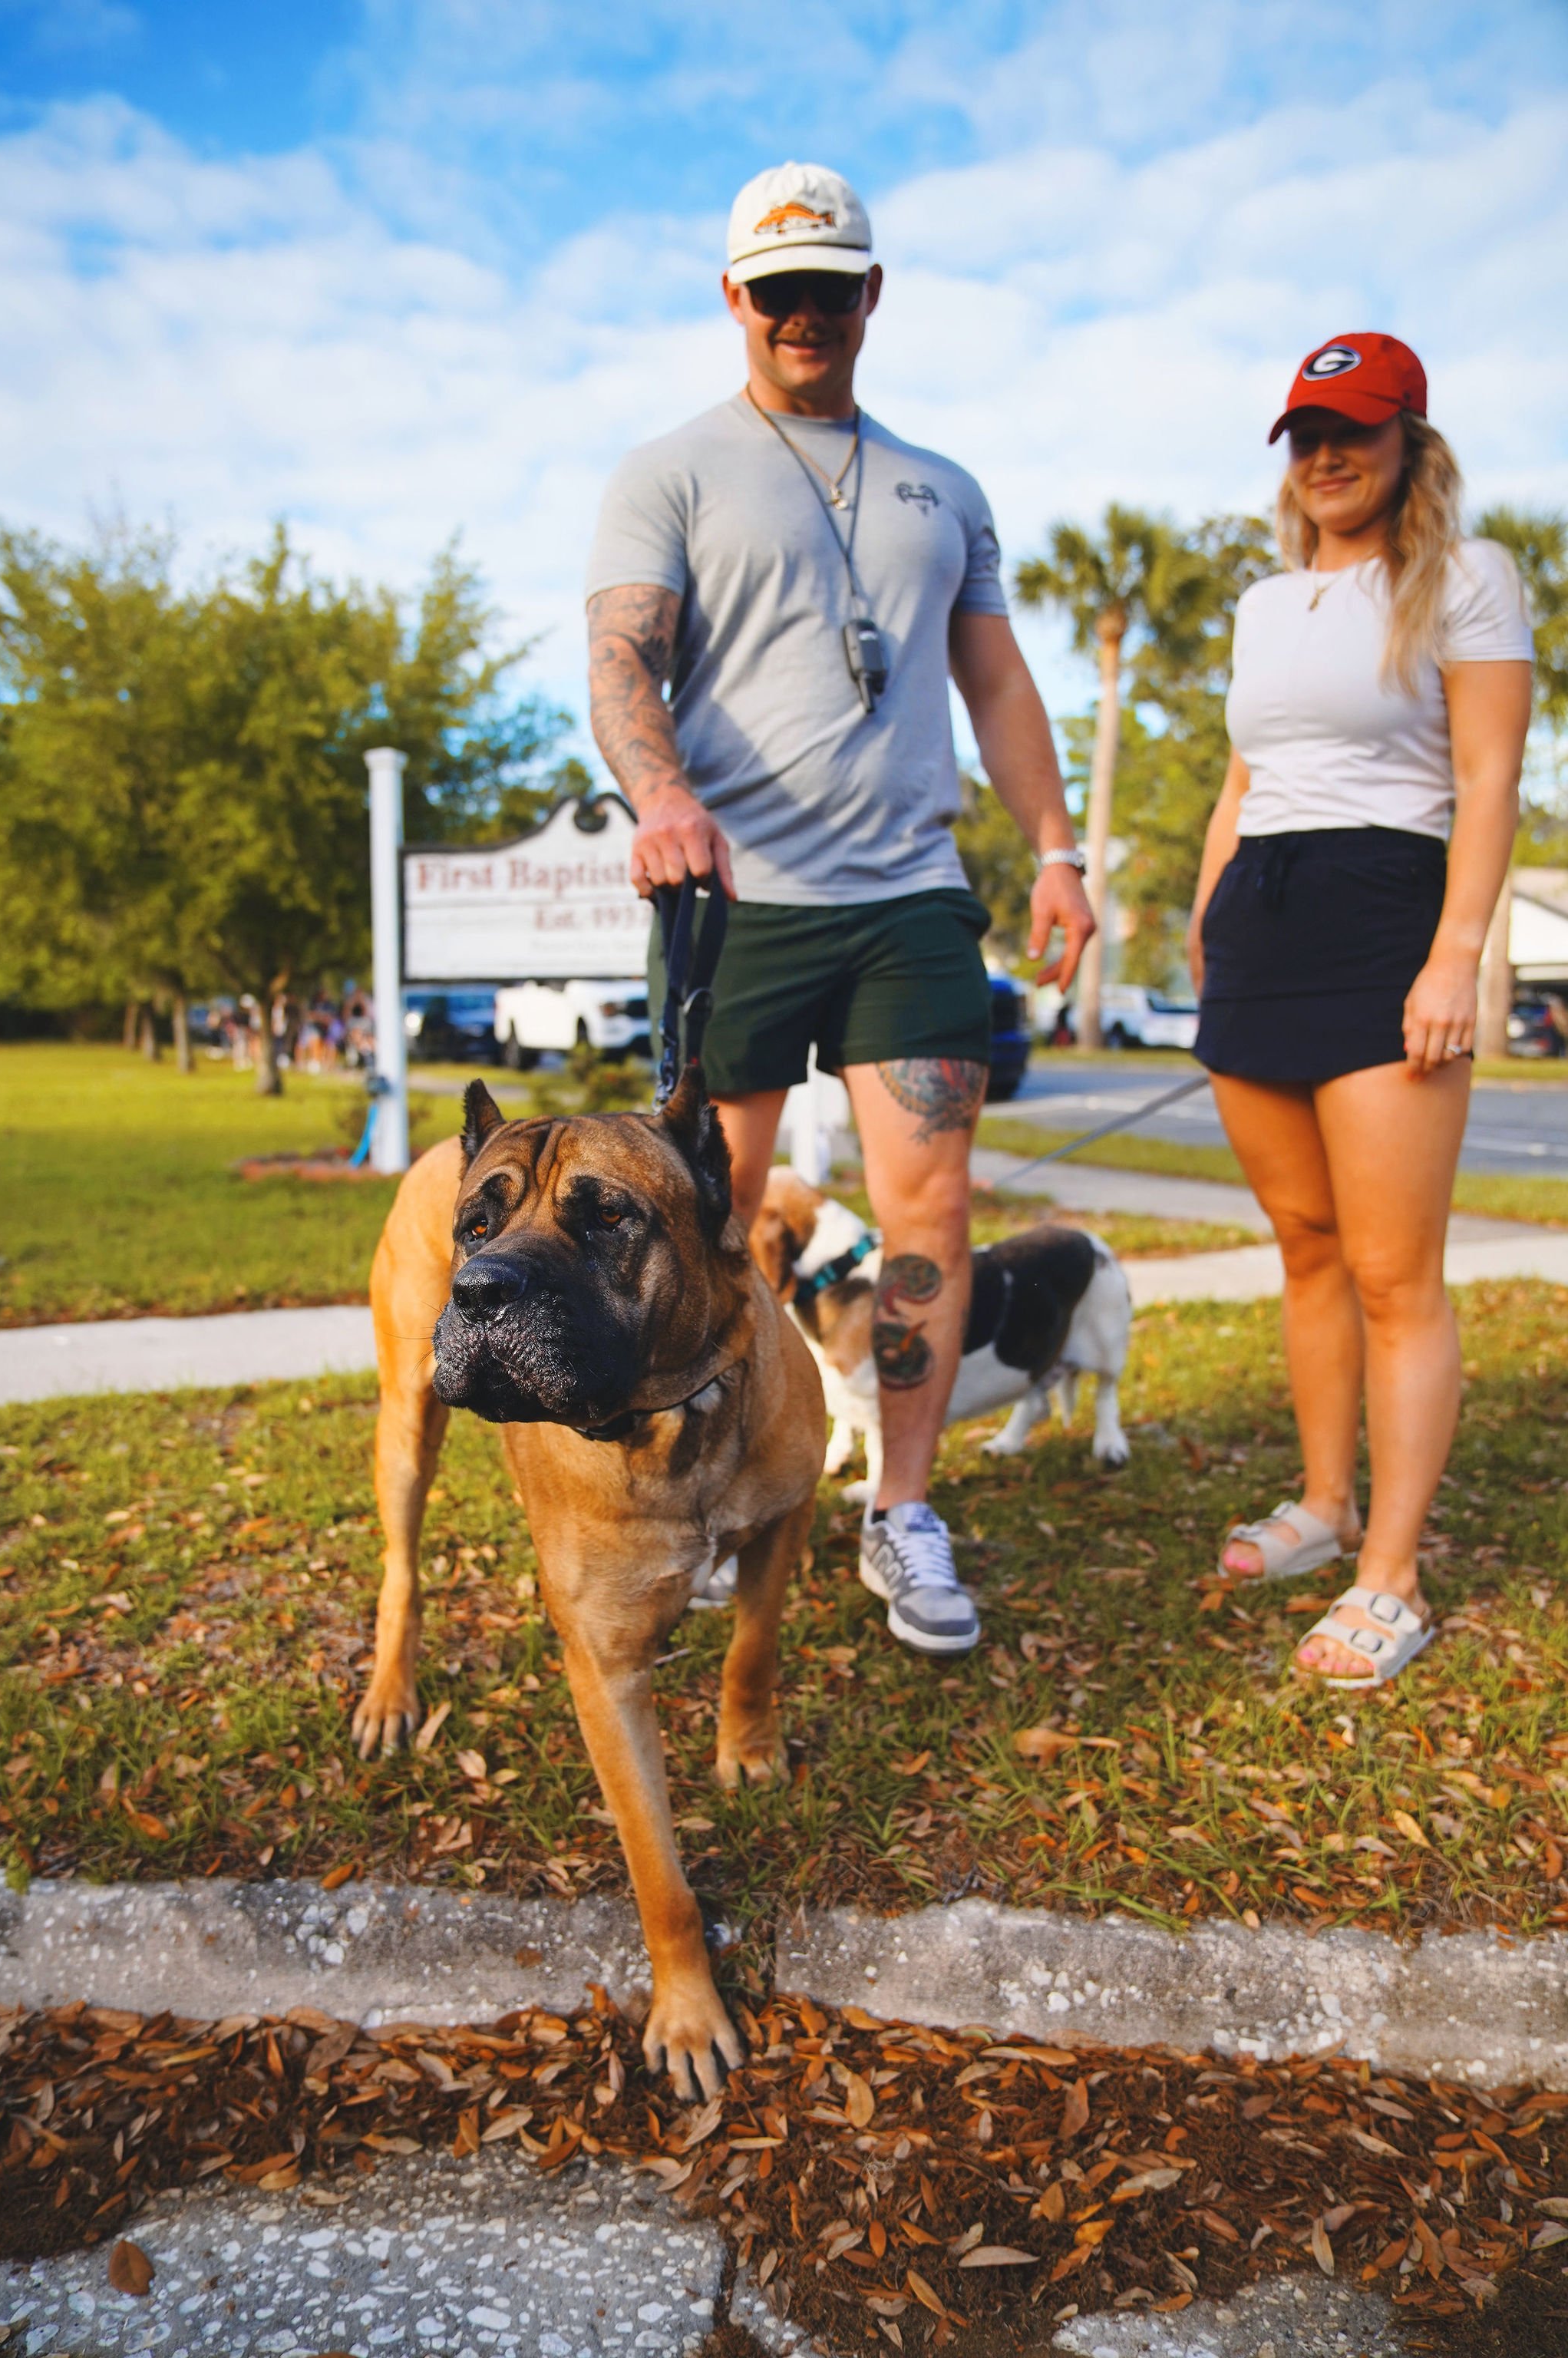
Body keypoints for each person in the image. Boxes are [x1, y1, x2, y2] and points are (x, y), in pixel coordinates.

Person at [586, 160, 1093, 1656]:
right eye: (778, 287)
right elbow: (622, 662)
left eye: (832, 284)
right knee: (710, 1221)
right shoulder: (670, 469)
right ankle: (701, 1499)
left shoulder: (946, 488)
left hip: (911, 898)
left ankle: (903, 1512)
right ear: (736, 298)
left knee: (927, 1219)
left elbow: (994, 680)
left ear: (872, 294)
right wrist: (662, 793)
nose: (805, 311)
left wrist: (1056, 848)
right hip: (736, 892)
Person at [1187, 333, 1533, 1687]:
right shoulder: (1266, 604)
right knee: (1305, 1242)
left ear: (1411, 443)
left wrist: (1457, 954)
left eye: (1356, 430)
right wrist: (1210, 927)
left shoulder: (1466, 578)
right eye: (1306, 433)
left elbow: (1491, 780)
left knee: (1396, 1276)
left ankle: (1392, 1577)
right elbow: (1242, 783)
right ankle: (1326, 1509)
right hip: (1259, 925)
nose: (1326, 455)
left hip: (1388, 914)